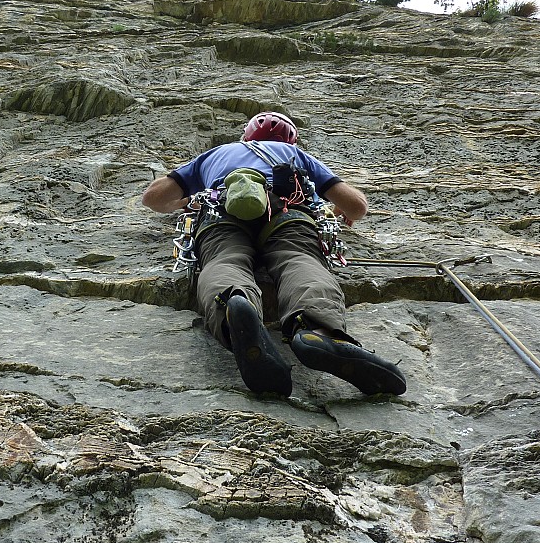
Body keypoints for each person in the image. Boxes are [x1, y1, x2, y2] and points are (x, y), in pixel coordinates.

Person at [141, 111, 406, 398]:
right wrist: (338, 208)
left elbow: (153, 198)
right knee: (299, 260)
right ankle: (317, 330)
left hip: (221, 213)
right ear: (292, 139)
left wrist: (183, 203)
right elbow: (357, 207)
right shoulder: (295, 154)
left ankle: (234, 307)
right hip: (288, 214)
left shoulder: (218, 153)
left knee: (224, 260)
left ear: (246, 136)